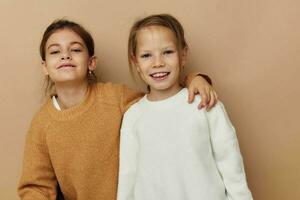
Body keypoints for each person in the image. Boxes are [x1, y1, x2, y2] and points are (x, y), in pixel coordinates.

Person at [18, 19, 217, 200]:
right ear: (45, 66)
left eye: (76, 50)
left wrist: (195, 78)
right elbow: (36, 188)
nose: (65, 56)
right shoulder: (42, 124)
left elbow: (162, 101)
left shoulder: (115, 97)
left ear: (91, 62)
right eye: (55, 52)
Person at [117, 14, 253, 200]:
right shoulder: (133, 116)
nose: (158, 63)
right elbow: (128, 176)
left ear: (183, 55)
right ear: (136, 63)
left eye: (167, 52)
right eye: (147, 55)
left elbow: (231, 165)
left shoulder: (204, 103)